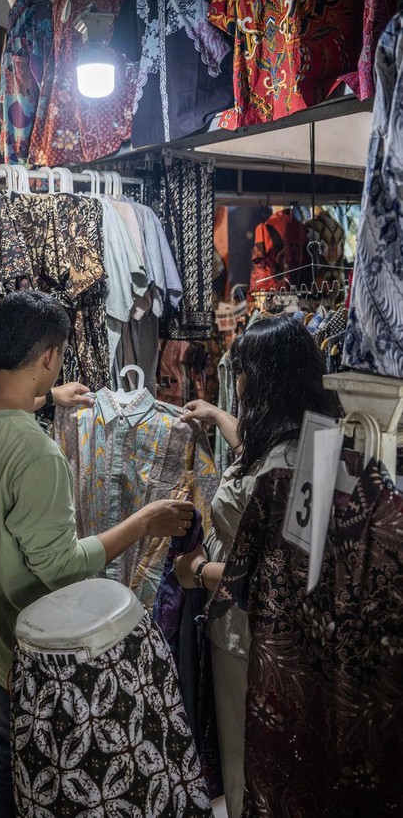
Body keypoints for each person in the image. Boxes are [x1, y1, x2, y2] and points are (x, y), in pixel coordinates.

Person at [0, 290, 194, 817]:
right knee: (34, 778)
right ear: (49, 358)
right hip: (27, 652)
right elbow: (60, 565)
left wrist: (47, 398)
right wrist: (144, 520)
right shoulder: (38, 454)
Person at [175, 314, 339, 818]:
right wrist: (221, 419)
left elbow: (274, 572)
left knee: (251, 762)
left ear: (263, 379)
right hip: (294, 634)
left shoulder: (281, 466)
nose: (237, 379)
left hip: (252, 636)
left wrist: (197, 572)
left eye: (242, 370)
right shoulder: (316, 437)